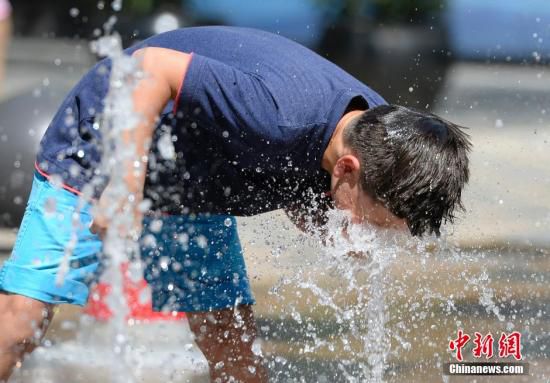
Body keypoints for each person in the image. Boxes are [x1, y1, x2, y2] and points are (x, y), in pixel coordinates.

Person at [0, 26, 470, 382]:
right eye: (371, 220)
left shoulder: (382, 138)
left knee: (238, 360)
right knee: (22, 325)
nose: (366, 230)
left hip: (195, 177)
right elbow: (150, 67)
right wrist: (126, 179)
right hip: (109, 142)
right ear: (347, 170)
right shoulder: (279, 113)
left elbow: (294, 172)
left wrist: (322, 222)